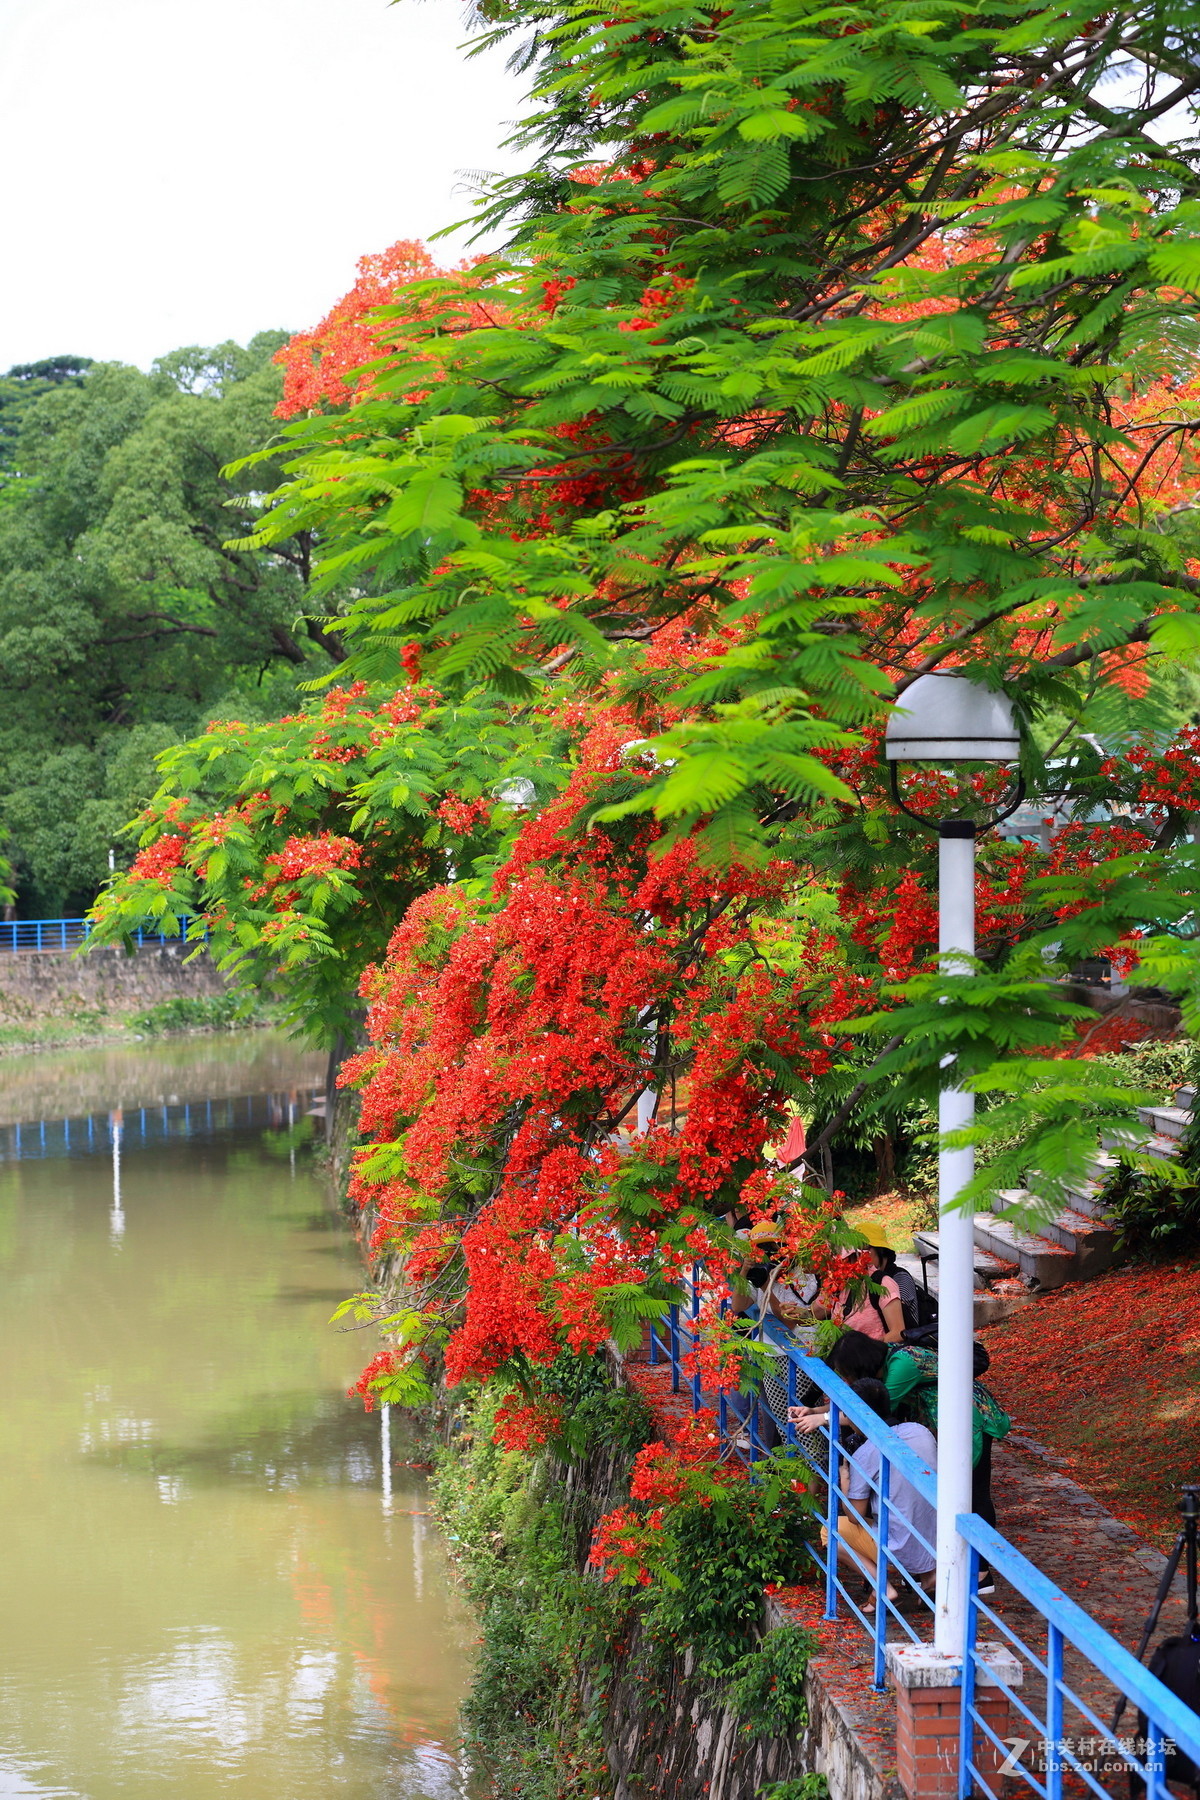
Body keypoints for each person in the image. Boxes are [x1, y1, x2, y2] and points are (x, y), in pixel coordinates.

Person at [826, 1377, 938, 1608]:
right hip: (937, 1540)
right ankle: (931, 1578)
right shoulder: (920, 1431)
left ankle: (883, 1588)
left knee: (830, 1531)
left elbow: (855, 1516)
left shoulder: (866, 1453)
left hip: (900, 1546)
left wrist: (845, 1481)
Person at [812, 1247, 905, 1342]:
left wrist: (863, 1351)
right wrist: (797, 1315)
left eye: (845, 1260)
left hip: (872, 1354)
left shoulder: (883, 1283)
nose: (839, 1265)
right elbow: (815, 1312)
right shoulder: (838, 1282)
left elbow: (898, 1333)